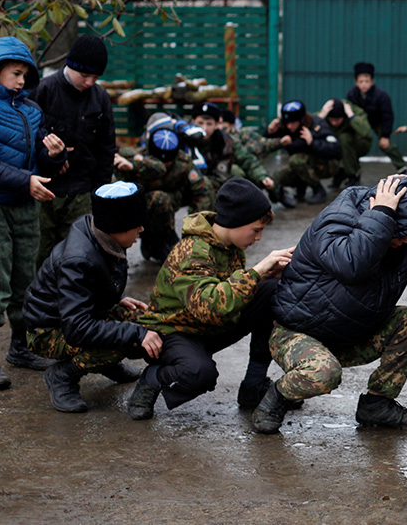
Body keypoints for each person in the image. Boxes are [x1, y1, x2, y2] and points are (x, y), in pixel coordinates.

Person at [254, 175, 407, 433]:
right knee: (324, 372)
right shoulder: (336, 220)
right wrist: (382, 213)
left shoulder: (399, 233)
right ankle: (276, 398)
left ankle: (377, 404)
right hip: (298, 334)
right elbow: (351, 265)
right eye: (402, 233)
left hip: (351, 335)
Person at [125, 177, 294, 420]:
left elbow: (227, 293)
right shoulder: (193, 250)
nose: (258, 238)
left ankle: (253, 384)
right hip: (174, 332)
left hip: (207, 327)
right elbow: (211, 307)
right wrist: (256, 272)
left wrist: (267, 275)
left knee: (271, 290)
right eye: (256, 230)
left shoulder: (231, 248)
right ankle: (153, 378)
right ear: (236, 222)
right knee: (200, 374)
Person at [24, 181, 161, 412]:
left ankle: (106, 363)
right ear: (117, 227)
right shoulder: (78, 260)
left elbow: (90, 285)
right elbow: (77, 328)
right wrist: (135, 333)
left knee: (146, 321)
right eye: (135, 225)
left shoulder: (101, 233)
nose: (141, 230)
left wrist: (117, 297)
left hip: (76, 315)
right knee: (129, 340)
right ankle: (63, 376)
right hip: (47, 330)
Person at [0, 36, 67, 390]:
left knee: (25, 279)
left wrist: (56, 155)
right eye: (15, 73)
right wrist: (25, 180)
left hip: (25, 205)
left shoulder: (32, 110)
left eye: (24, 75)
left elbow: (40, 161)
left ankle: (21, 348)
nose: (21, 81)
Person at [33, 34, 117, 267]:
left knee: (77, 257)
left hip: (81, 192)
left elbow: (106, 149)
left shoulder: (100, 98)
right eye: (84, 75)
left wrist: (100, 195)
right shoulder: (44, 90)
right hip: (45, 191)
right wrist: (49, 154)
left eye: (96, 77)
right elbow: (27, 135)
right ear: (70, 65)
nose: (89, 82)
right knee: (40, 256)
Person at [116, 114, 215, 263]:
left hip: (173, 199)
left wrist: (196, 233)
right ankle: (151, 239)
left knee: (206, 184)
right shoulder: (137, 158)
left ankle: (166, 238)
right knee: (159, 198)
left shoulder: (183, 162)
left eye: (168, 162)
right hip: (144, 206)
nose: (165, 166)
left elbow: (201, 192)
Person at [268, 100, 342, 207]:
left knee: (296, 160)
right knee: (273, 179)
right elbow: (263, 146)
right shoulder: (285, 126)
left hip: (326, 165)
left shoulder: (317, 124)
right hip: (301, 166)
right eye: (287, 123)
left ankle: (318, 190)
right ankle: (290, 194)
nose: (289, 126)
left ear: (301, 120)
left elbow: (337, 150)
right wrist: (270, 132)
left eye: (293, 123)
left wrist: (312, 143)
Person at [189, 102, 274, 193]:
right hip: (190, 181)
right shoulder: (185, 139)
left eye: (209, 124)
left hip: (217, 183)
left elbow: (247, 159)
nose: (204, 128)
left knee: (236, 171)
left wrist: (262, 177)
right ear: (193, 121)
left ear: (216, 125)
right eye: (200, 123)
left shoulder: (226, 141)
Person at [347, 62, 407, 174]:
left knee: (387, 145)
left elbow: (387, 116)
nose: (364, 84)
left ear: (372, 82)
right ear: (356, 82)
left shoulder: (381, 95)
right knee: (352, 143)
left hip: (377, 122)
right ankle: (354, 171)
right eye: (361, 81)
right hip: (360, 122)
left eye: (367, 81)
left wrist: (385, 136)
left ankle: (402, 168)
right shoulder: (352, 94)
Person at [315, 98, 373, 189]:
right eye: (331, 120)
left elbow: (366, 132)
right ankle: (340, 172)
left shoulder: (355, 111)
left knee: (344, 138)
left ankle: (352, 174)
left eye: (337, 120)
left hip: (358, 146)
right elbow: (309, 126)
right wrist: (322, 115)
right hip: (335, 146)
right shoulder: (326, 111)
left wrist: (351, 115)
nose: (334, 123)